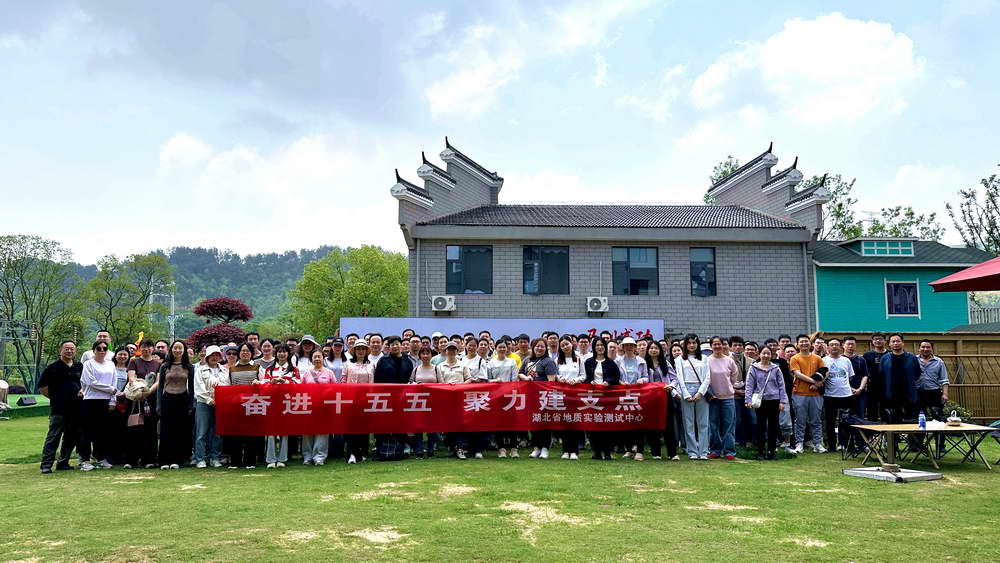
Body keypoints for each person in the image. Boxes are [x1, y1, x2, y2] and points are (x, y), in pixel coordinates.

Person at [38, 340, 83, 474]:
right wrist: (55, 398)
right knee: (53, 437)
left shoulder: (79, 366)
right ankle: (46, 465)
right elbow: (42, 387)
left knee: (71, 437)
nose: (69, 351)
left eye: (72, 349)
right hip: (59, 409)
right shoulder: (52, 368)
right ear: (60, 351)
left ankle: (63, 462)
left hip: (76, 408)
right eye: (66, 349)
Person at [156, 340, 195, 470]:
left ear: (184, 351)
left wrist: (190, 405)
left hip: (183, 399)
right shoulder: (164, 366)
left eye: (180, 348)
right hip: (167, 399)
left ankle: (177, 460)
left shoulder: (189, 367)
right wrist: (158, 405)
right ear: (171, 350)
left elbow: (192, 387)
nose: (177, 350)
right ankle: (164, 460)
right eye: (175, 348)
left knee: (180, 431)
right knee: (166, 430)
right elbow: (160, 387)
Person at [79, 340, 117, 471]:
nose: (102, 351)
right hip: (91, 400)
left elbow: (114, 383)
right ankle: (85, 460)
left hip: (105, 401)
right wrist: (109, 389)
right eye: (99, 348)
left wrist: (112, 400)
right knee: (87, 431)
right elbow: (90, 382)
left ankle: (101, 458)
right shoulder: (88, 364)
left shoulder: (111, 364)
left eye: (104, 349)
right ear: (94, 350)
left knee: (102, 432)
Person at [744, 346, 787, 460]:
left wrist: (782, 401)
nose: (766, 356)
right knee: (760, 426)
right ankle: (760, 451)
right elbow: (749, 385)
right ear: (759, 354)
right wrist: (748, 400)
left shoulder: (776, 368)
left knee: (773, 427)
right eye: (764, 353)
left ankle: (772, 451)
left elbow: (781, 386)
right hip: (760, 401)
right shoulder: (753, 368)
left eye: (768, 353)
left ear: (771, 355)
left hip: (774, 400)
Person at [261, 343, 299, 468]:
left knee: (284, 430)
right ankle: (271, 459)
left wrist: (285, 381)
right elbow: (264, 386)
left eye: (284, 352)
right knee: (271, 431)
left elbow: (297, 385)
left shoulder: (294, 369)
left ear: (288, 354)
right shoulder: (270, 369)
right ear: (276, 354)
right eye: (279, 352)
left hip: (287, 403)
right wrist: (271, 383)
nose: (282, 354)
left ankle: (282, 458)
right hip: (272, 403)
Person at [519, 337, 558, 459]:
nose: (539, 348)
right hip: (530, 396)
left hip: (543, 397)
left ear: (546, 348)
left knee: (544, 422)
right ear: (533, 347)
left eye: (542, 346)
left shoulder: (548, 362)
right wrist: (526, 378)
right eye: (537, 346)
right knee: (533, 422)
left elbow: (551, 381)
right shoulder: (527, 360)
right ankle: (536, 448)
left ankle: (545, 448)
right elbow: (520, 373)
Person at [125, 339, 161, 469]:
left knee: (150, 430)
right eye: (144, 347)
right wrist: (140, 391)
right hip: (136, 399)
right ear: (140, 348)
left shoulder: (158, 364)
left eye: (149, 346)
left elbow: (158, 381)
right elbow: (131, 378)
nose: (146, 349)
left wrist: (148, 392)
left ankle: (149, 459)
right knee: (134, 429)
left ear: (153, 349)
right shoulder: (134, 361)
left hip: (151, 400)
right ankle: (132, 460)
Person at [225, 343, 262, 469]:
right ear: (239, 353)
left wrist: (259, 382)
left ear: (251, 353)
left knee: (251, 433)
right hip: (236, 405)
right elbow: (227, 385)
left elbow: (264, 383)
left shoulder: (257, 367)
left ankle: (250, 461)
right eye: (242, 351)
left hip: (252, 404)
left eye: (247, 351)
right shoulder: (231, 369)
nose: (245, 353)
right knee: (235, 433)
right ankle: (235, 461)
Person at [674, 334, 711, 460]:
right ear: (685, 345)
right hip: (686, 389)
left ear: (698, 344)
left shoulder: (704, 358)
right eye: (689, 343)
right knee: (688, 422)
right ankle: (692, 451)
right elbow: (679, 377)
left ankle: (704, 451)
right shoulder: (679, 359)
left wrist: (700, 393)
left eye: (694, 343)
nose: (691, 345)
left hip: (701, 390)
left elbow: (707, 377)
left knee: (703, 423)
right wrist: (686, 394)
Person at [584, 338, 621, 460]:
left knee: (607, 424)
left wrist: (608, 382)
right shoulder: (588, 362)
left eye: (602, 345)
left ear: (605, 347)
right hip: (593, 397)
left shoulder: (611, 362)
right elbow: (585, 377)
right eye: (597, 345)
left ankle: (607, 451)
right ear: (594, 347)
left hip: (607, 397)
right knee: (594, 424)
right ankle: (596, 451)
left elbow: (616, 377)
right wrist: (590, 381)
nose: (599, 347)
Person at [193, 345, 228, 468]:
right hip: (203, 403)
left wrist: (220, 398)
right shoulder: (200, 370)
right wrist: (209, 399)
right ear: (207, 356)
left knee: (217, 432)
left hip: (220, 404)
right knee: (201, 432)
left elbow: (227, 385)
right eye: (212, 355)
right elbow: (198, 388)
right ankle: (200, 458)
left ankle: (215, 457)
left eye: (217, 355)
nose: (214, 357)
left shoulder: (224, 370)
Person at [705, 336, 739, 460]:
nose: (717, 346)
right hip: (713, 398)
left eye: (719, 344)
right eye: (714, 344)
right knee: (713, 425)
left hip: (728, 397)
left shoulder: (729, 361)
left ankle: (729, 451)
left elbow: (734, 377)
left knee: (729, 425)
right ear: (711, 346)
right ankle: (715, 450)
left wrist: (727, 387)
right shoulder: (707, 361)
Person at [790, 335, 825, 454]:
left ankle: (818, 444)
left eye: (806, 341)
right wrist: (814, 381)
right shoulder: (795, 358)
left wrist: (818, 383)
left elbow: (824, 372)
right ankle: (799, 444)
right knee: (800, 420)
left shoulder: (817, 358)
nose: (804, 343)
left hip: (816, 394)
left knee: (816, 420)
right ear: (797, 344)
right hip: (799, 393)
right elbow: (797, 374)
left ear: (810, 344)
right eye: (801, 342)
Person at [645, 340, 679, 460]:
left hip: (665, 396)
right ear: (648, 350)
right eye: (651, 348)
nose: (654, 350)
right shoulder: (644, 363)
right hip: (650, 398)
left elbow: (675, 378)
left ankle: (672, 453)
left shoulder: (665, 363)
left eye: (656, 348)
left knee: (668, 424)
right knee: (653, 424)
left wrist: (671, 386)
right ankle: (656, 452)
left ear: (660, 350)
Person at [302, 349, 337, 466]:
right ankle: (307, 456)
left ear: (323, 358)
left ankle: (319, 457)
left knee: (322, 432)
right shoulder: (306, 373)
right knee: (307, 431)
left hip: (324, 406)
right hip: (309, 405)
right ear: (311, 359)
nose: (317, 359)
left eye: (319, 357)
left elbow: (335, 389)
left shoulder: (329, 373)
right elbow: (301, 390)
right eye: (315, 357)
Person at [616, 337, 648, 460]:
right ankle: (628, 449)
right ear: (623, 347)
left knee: (638, 422)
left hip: (638, 394)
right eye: (626, 345)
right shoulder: (618, 361)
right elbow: (615, 377)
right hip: (623, 394)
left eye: (631, 345)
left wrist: (642, 380)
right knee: (626, 422)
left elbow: (646, 377)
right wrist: (621, 382)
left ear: (635, 347)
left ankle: (639, 451)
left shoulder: (641, 361)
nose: (629, 347)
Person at [343, 339, 375, 464]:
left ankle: (362, 452)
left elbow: (372, 383)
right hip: (350, 399)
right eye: (358, 349)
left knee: (363, 427)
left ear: (366, 351)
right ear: (354, 351)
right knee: (351, 427)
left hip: (365, 400)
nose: (360, 351)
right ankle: (351, 453)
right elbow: (343, 380)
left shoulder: (371, 365)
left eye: (363, 349)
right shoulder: (348, 364)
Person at [821, 338, 856, 452]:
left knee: (846, 421)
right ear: (827, 347)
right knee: (830, 422)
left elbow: (850, 376)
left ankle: (847, 445)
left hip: (846, 395)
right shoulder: (823, 361)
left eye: (836, 344)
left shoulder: (846, 360)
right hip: (830, 395)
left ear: (840, 346)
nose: (834, 347)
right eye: (831, 345)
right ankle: (831, 446)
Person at [487, 340, 519, 458]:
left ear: (507, 348)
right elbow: (487, 380)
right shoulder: (491, 363)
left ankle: (514, 448)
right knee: (498, 422)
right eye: (499, 347)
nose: (502, 349)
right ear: (495, 348)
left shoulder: (512, 362)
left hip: (510, 396)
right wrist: (495, 381)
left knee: (512, 423)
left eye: (504, 347)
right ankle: (501, 449)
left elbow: (514, 379)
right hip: (496, 396)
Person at [461, 338, 491, 459]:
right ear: (465, 346)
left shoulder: (480, 361)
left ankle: (478, 449)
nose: (472, 347)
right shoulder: (462, 360)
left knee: (478, 422)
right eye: (470, 345)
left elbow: (483, 378)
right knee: (467, 422)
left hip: (477, 395)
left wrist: (472, 380)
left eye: (474, 345)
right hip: (464, 395)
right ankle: (469, 448)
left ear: (477, 347)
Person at [555, 335, 585, 460]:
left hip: (575, 394)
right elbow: (555, 374)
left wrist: (576, 380)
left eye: (567, 344)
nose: (565, 347)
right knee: (564, 423)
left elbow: (583, 375)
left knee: (574, 422)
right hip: (562, 395)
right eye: (562, 345)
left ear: (572, 344)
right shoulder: (557, 360)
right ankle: (565, 450)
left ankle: (574, 451)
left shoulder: (578, 359)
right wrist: (559, 378)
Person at [879, 334, 920, 423]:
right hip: (891, 394)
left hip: (909, 393)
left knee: (911, 420)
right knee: (893, 421)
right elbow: (882, 375)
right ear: (889, 344)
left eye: (898, 341)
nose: (895, 343)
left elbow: (917, 373)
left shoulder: (912, 357)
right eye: (893, 341)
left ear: (903, 343)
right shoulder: (884, 358)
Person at [408, 345, 440, 457]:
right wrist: (416, 385)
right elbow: (410, 383)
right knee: (418, 425)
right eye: (423, 353)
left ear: (431, 355)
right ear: (420, 356)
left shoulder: (436, 368)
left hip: (432, 401)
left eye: (427, 353)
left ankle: (431, 449)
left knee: (432, 426)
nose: (425, 356)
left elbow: (441, 384)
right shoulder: (416, 369)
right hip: (419, 401)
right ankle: (419, 449)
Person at [916, 339, 950, 418]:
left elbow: (944, 379)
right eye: (923, 347)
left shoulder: (939, 362)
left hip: (934, 392)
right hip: (918, 393)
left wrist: (945, 394)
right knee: (919, 418)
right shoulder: (913, 360)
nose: (925, 349)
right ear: (919, 348)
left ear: (932, 349)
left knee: (938, 416)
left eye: (928, 347)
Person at [863, 333, 889, 421]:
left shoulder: (890, 354)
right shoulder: (867, 355)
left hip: (887, 386)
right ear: (872, 342)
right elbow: (864, 372)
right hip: (872, 386)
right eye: (875, 339)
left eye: (880, 339)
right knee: (871, 410)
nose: (878, 341)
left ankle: (887, 429)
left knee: (886, 411)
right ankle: (871, 429)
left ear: (885, 341)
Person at [843, 336, 870, 418]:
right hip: (844, 393)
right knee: (845, 416)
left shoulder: (861, 359)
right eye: (848, 344)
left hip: (859, 393)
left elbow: (865, 375)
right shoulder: (840, 359)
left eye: (852, 344)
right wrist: (850, 389)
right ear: (843, 345)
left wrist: (860, 389)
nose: (850, 346)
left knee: (860, 415)